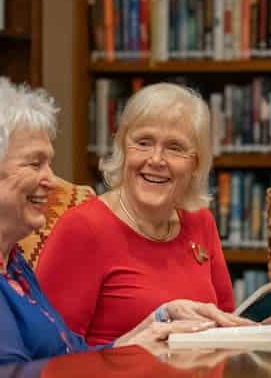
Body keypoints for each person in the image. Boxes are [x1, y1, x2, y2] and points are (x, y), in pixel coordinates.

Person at [0, 80, 219, 376]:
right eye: (35, 164)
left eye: (48, 163)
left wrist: (155, 324)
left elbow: (69, 358)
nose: (51, 179)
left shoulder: (5, 258)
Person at [37, 83, 246, 347]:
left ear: (196, 163)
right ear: (123, 148)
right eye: (143, 143)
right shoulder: (83, 228)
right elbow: (52, 352)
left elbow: (225, 322)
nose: (156, 159)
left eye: (175, 147)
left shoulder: (200, 221)